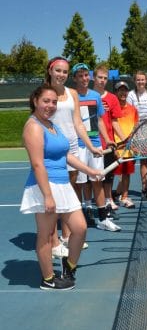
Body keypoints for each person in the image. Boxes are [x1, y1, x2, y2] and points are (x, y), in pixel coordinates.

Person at [20, 85, 102, 290]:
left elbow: (66, 155)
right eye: (46, 101)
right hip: (45, 185)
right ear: (35, 101)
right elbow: (37, 163)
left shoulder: (51, 124)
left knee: (80, 228)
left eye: (54, 102)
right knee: (46, 234)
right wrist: (47, 196)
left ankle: (69, 266)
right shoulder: (34, 126)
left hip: (64, 184)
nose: (50, 105)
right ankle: (48, 279)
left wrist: (90, 171)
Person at [45, 57, 102, 252]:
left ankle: (67, 236)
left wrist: (91, 146)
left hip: (72, 148)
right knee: (52, 196)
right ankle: (53, 243)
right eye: (58, 71)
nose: (61, 75)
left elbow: (78, 123)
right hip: (51, 149)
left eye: (64, 72)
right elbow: (39, 121)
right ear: (50, 71)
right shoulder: (44, 93)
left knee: (68, 192)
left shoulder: (73, 94)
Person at [72, 63, 120, 232]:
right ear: (75, 78)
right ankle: (78, 218)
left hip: (96, 144)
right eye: (80, 76)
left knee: (97, 180)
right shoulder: (72, 96)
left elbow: (99, 120)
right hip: (78, 146)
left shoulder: (95, 96)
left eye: (86, 75)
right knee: (79, 183)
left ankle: (103, 218)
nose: (84, 79)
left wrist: (107, 139)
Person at [93, 64, 125, 215]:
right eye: (100, 77)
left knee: (108, 175)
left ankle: (108, 199)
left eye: (105, 78)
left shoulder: (112, 98)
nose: (102, 81)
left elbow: (114, 121)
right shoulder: (86, 96)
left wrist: (123, 138)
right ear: (94, 77)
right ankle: (89, 204)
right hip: (91, 143)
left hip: (108, 143)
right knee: (91, 177)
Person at [127, 71, 147, 200]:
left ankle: (144, 189)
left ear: (146, 81)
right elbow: (129, 113)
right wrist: (133, 130)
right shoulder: (131, 95)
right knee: (130, 162)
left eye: (142, 79)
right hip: (134, 132)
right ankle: (122, 192)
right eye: (138, 80)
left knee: (144, 162)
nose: (140, 82)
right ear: (135, 81)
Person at [113, 81, 139, 208]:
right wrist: (115, 145)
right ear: (116, 92)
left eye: (125, 90)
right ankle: (110, 198)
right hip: (115, 147)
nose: (123, 93)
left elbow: (135, 127)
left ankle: (124, 197)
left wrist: (133, 143)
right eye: (120, 90)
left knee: (126, 174)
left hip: (129, 148)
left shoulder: (133, 110)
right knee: (111, 175)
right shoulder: (112, 109)